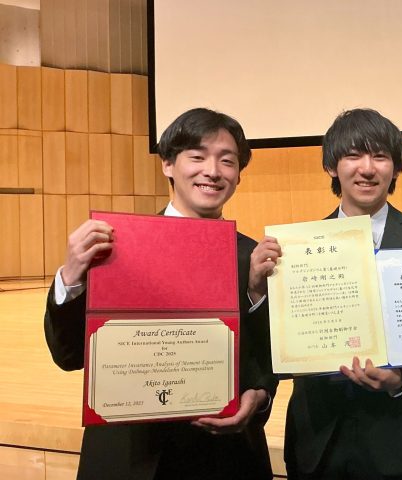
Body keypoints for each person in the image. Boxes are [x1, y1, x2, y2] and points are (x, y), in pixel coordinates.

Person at [43, 108, 278, 480]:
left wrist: (260, 396)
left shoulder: (256, 259)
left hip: (224, 458)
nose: (212, 171)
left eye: (227, 161)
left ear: (238, 175)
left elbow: (267, 361)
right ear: (168, 164)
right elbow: (68, 355)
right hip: (129, 457)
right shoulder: (117, 247)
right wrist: (71, 276)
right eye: (197, 157)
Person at [250, 108, 402, 479]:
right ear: (332, 166)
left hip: (393, 437)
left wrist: (401, 379)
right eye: (354, 155)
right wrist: (257, 289)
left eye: (380, 156)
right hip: (316, 438)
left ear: (396, 168)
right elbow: (274, 341)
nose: (367, 168)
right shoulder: (298, 247)